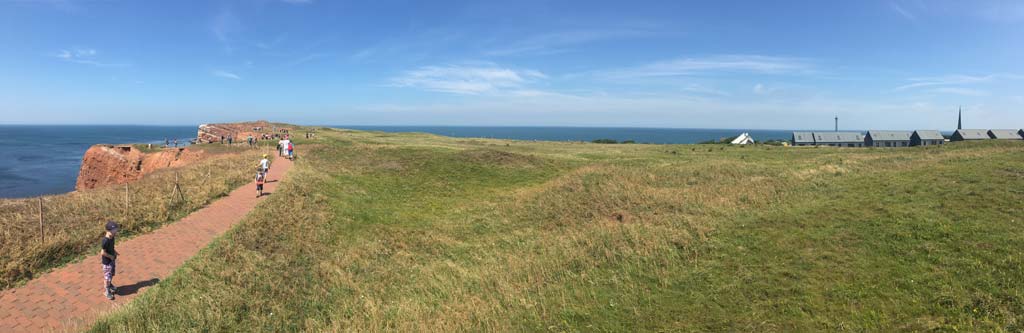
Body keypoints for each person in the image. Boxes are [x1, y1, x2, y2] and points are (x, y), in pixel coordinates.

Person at [100, 221, 119, 300]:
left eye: (116, 230)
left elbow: (111, 247)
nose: (116, 232)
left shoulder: (112, 237)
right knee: (107, 277)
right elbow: (102, 252)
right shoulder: (105, 241)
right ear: (108, 230)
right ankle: (107, 291)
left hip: (112, 260)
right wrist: (110, 256)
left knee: (111, 274)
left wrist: (114, 252)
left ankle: (110, 284)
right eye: (114, 230)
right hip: (107, 262)